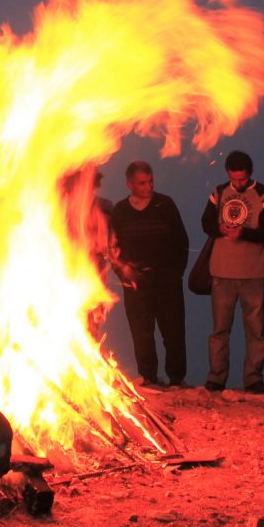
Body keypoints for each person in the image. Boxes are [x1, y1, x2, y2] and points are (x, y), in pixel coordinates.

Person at [200, 150, 264, 393]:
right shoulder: (219, 192)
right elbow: (205, 223)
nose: (238, 184)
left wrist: (244, 233)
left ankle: (253, 379)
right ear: (228, 174)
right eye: (234, 179)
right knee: (220, 329)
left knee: (255, 330)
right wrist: (219, 228)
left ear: (250, 174)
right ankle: (216, 378)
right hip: (222, 272)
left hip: (253, 273)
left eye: (242, 180)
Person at [110, 161, 190, 388]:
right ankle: (149, 377)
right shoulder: (121, 211)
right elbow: (113, 248)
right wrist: (125, 275)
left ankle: (176, 379)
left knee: (173, 330)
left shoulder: (165, 204)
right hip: (136, 283)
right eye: (142, 183)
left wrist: (176, 273)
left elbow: (181, 241)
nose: (148, 186)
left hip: (166, 280)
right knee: (142, 333)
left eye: (150, 181)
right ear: (130, 184)